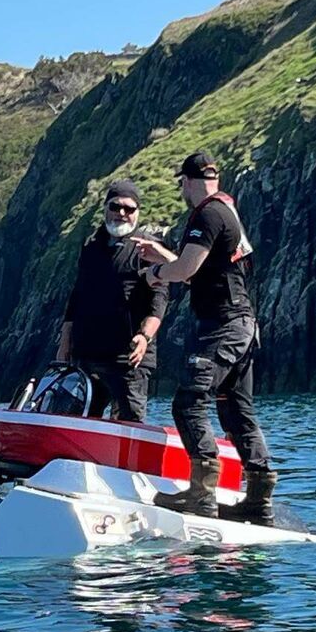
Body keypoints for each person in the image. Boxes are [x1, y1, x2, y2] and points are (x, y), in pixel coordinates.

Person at [133, 151, 276, 524]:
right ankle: (259, 500)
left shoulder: (209, 214)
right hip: (243, 326)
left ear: (188, 181)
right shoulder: (227, 212)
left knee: (189, 402)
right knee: (235, 409)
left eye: (181, 183)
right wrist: (166, 256)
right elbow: (203, 270)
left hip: (223, 327)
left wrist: (155, 274)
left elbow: (186, 269)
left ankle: (202, 495)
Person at [56, 180, 168, 422]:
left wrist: (145, 336)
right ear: (105, 208)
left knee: (128, 424)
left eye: (129, 209)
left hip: (127, 358)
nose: (122, 213)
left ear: (138, 212)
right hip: (86, 355)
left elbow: (159, 300)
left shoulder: (147, 247)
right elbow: (77, 296)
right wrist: (65, 341)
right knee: (74, 422)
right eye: (115, 206)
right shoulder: (91, 246)